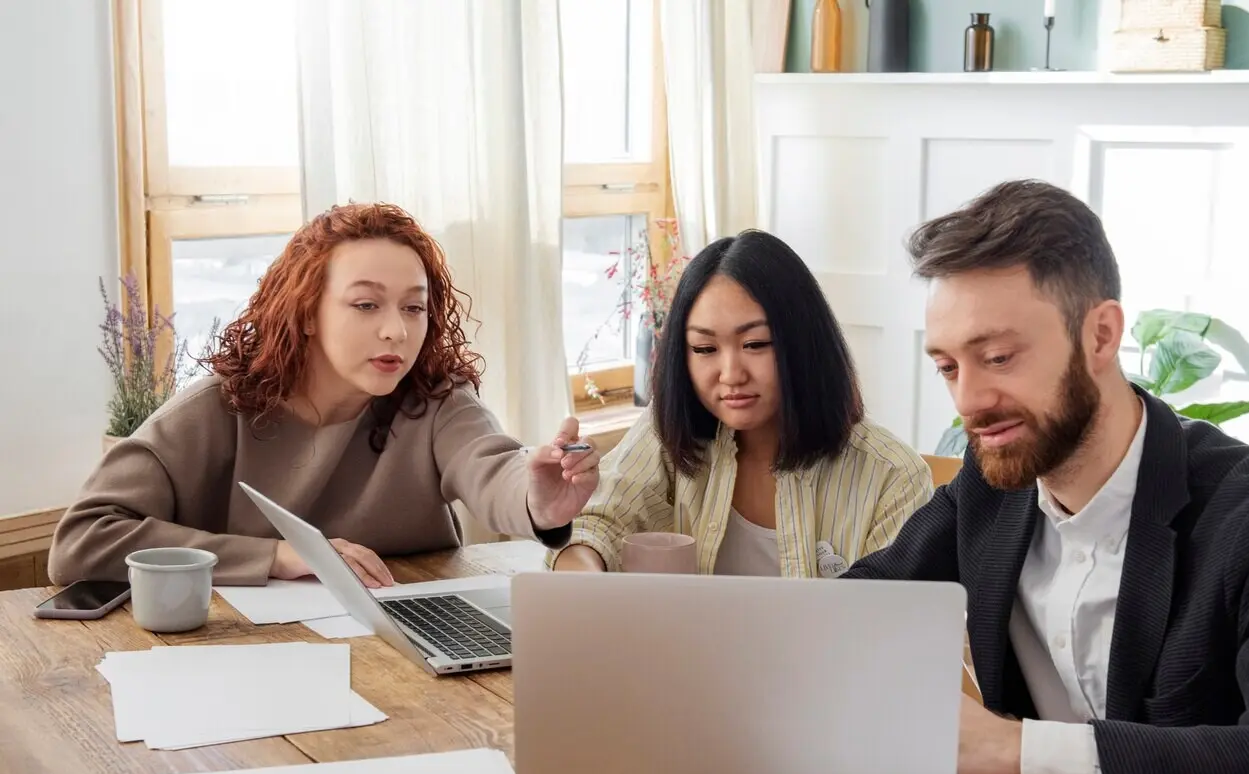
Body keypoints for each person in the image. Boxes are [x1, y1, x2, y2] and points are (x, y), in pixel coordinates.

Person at [841, 179, 1249, 774]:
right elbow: (855, 611)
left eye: (999, 357)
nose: (969, 401)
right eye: (948, 367)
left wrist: (1009, 750)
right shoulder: (991, 488)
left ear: (1100, 335)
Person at [49, 202, 599, 588]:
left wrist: (539, 502)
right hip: (243, 662)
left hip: (406, 657)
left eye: (413, 307)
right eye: (366, 305)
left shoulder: (435, 402)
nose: (397, 332)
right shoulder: (218, 411)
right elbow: (81, 541)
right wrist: (276, 557)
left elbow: (493, 469)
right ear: (307, 312)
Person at [551, 229, 932, 577]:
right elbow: (597, 523)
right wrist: (584, 577)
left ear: (803, 343)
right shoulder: (668, 433)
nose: (731, 373)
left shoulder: (892, 476)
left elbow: (890, 627)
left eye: (755, 344)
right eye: (704, 348)